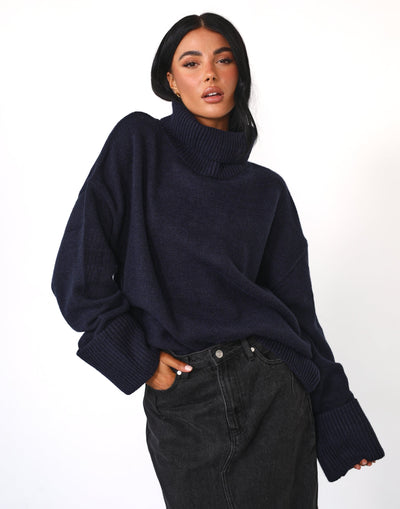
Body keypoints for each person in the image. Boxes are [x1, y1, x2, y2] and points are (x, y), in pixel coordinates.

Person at [51, 12, 384, 509]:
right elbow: (79, 272)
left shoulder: (266, 190)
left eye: (222, 60)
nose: (209, 73)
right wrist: (138, 360)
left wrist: (336, 413)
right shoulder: (138, 143)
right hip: (190, 396)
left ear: (239, 73)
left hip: (277, 393)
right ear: (171, 81)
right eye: (191, 63)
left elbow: (299, 314)